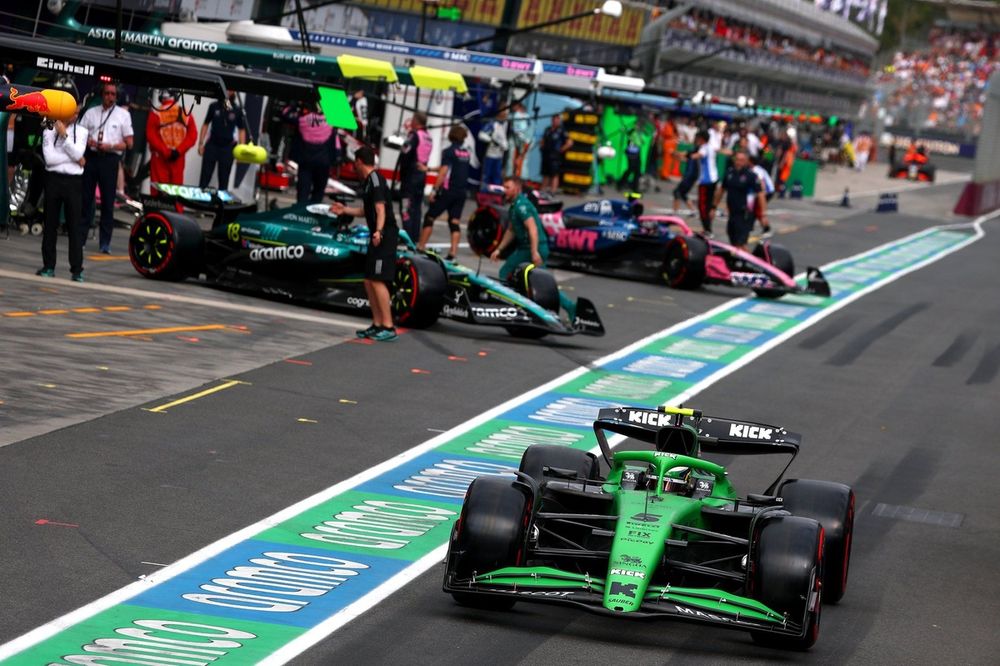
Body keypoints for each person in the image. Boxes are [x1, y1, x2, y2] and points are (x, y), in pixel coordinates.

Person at [330, 146, 399, 342]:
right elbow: (365, 211)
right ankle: (377, 324)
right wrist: (344, 210)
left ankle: (388, 326)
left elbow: (380, 209)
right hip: (377, 234)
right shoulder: (368, 182)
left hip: (384, 235)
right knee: (368, 280)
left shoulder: (375, 180)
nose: (353, 166)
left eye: (355, 162)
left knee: (377, 280)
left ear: (359, 161)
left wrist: (378, 231)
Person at [489, 176, 575, 319]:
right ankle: (520, 305)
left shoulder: (522, 206)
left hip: (533, 248)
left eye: (508, 188)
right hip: (526, 248)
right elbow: (511, 230)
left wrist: (534, 252)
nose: (505, 191)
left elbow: (533, 229)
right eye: (504, 187)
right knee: (514, 274)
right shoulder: (514, 205)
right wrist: (499, 249)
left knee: (506, 273)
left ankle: (513, 306)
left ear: (517, 188)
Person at [80, 81, 133, 254]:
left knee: (108, 202)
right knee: (86, 200)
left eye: (113, 94)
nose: (110, 97)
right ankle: (80, 239)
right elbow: (79, 134)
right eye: (107, 93)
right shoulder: (91, 112)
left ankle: (105, 243)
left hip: (109, 159)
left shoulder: (123, 115)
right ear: (102, 95)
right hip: (92, 156)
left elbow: (129, 143)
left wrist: (109, 146)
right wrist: (89, 142)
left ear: (117, 97)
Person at [38, 107, 88, 281]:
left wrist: (65, 136)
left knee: (74, 226)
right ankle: (48, 266)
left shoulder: (82, 131)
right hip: (53, 179)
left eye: (77, 113)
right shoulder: (49, 130)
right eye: (72, 113)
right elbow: (50, 160)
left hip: (73, 183)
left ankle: (77, 270)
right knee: (50, 224)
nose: (75, 116)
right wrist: (75, 159)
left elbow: (79, 153)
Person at [419, 125, 471, 259]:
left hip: (448, 191)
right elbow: (448, 167)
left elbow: (443, 172)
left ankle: (421, 246)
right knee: (454, 222)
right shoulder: (466, 153)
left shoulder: (448, 151)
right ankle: (453, 252)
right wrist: (429, 169)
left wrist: (434, 191)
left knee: (430, 217)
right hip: (461, 192)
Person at [146, 90, 197, 192]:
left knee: (157, 192)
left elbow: (150, 135)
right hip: (178, 157)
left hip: (160, 157)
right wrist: (178, 151)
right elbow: (193, 135)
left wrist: (166, 151)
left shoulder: (156, 113)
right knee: (177, 191)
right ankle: (177, 208)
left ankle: (155, 208)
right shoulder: (186, 113)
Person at [713, 150, 765, 250]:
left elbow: (761, 194)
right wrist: (713, 207)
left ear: (746, 161)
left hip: (744, 214)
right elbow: (721, 190)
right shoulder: (729, 173)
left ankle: (754, 264)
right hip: (732, 213)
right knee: (733, 241)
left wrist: (763, 214)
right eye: (737, 160)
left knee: (740, 244)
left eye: (741, 160)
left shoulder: (751, 176)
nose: (738, 162)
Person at [288, 102, 335, 204]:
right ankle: (313, 215)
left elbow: (285, 114)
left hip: (306, 161)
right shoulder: (332, 120)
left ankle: (300, 214)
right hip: (323, 162)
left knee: (303, 192)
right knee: (318, 193)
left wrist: (295, 103)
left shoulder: (302, 120)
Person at [198, 90, 246, 189]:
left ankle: (221, 202)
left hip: (227, 148)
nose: (228, 91)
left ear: (234, 92)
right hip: (212, 145)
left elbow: (242, 130)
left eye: (231, 90)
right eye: (226, 89)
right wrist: (201, 144)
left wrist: (241, 152)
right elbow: (206, 124)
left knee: (224, 181)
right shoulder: (214, 106)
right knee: (204, 178)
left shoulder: (237, 110)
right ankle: (200, 199)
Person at [399, 111, 431, 241]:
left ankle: (407, 236)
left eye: (413, 119)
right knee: (417, 208)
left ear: (416, 121)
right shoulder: (428, 136)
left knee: (405, 206)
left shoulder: (414, 135)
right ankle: (414, 237)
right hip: (421, 176)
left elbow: (406, 153)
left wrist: (402, 173)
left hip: (411, 176)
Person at [691, 130, 719, 236]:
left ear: (701, 139)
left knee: (703, 206)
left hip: (706, 181)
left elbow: (698, 155)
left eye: (698, 138)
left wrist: (687, 156)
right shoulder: (710, 147)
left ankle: (707, 230)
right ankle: (708, 228)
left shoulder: (704, 148)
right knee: (708, 205)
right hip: (713, 179)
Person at [540, 113, 572, 196]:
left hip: (555, 156)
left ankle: (553, 191)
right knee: (545, 174)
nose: (555, 121)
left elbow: (569, 143)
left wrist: (560, 150)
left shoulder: (562, 130)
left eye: (557, 119)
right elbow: (543, 139)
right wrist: (542, 146)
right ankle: (542, 190)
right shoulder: (548, 129)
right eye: (554, 119)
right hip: (546, 155)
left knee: (555, 174)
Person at [478, 107, 508, 189]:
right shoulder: (492, 123)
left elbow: (504, 139)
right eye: (504, 112)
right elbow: (481, 134)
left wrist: (504, 145)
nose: (506, 114)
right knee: (486, 175)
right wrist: (491, 140)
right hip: (490, 155)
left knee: (497, 176)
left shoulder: (505, 124)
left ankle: (495, 193)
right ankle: (483, 193)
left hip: (499, 156)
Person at [749, 155, 775, 237]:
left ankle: (766, 228)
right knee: (753, 209)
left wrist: (760, 196)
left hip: (766, 192)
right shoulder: (753, 169)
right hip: (763, 192)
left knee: (758, 210)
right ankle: (750, 226)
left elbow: (762, 184)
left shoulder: (757, 170)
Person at [672, 148, 699, 216]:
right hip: (690, 176)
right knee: (683, 193)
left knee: (677, 192)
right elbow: (684, 159)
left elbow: (683, 154)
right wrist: (676, 156)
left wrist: (675, 152)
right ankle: (693, 210)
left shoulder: (694, 151)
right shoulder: (692, 157)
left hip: (689, 176)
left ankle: (675, 212)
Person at [510, 101, 532, 178]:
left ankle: (520, 179)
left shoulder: (524, 116)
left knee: (521, 162)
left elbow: (522, 131)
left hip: (524, 142)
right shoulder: (514, 115)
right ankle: (514, 178)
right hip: (517, 141)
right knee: (514, 161)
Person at [619, 126, 643, 192]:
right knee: (630, 169)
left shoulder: (638, 133)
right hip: (631, 153)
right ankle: (620, 184)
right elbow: (639, 142)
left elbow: (640, 143)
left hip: (637, 153)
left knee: (637, 171)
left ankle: (635, 188)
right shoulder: (633, 132)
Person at [658, 115, 678, 180]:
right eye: (673, 120)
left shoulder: (674, 126)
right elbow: (667, 134)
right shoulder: (667, 125)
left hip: (672, 145)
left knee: (670, 162)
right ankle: (664, 175)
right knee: (667, 161)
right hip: (668, 145)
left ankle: (666, 174)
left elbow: (676, 134)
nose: (674, 121)